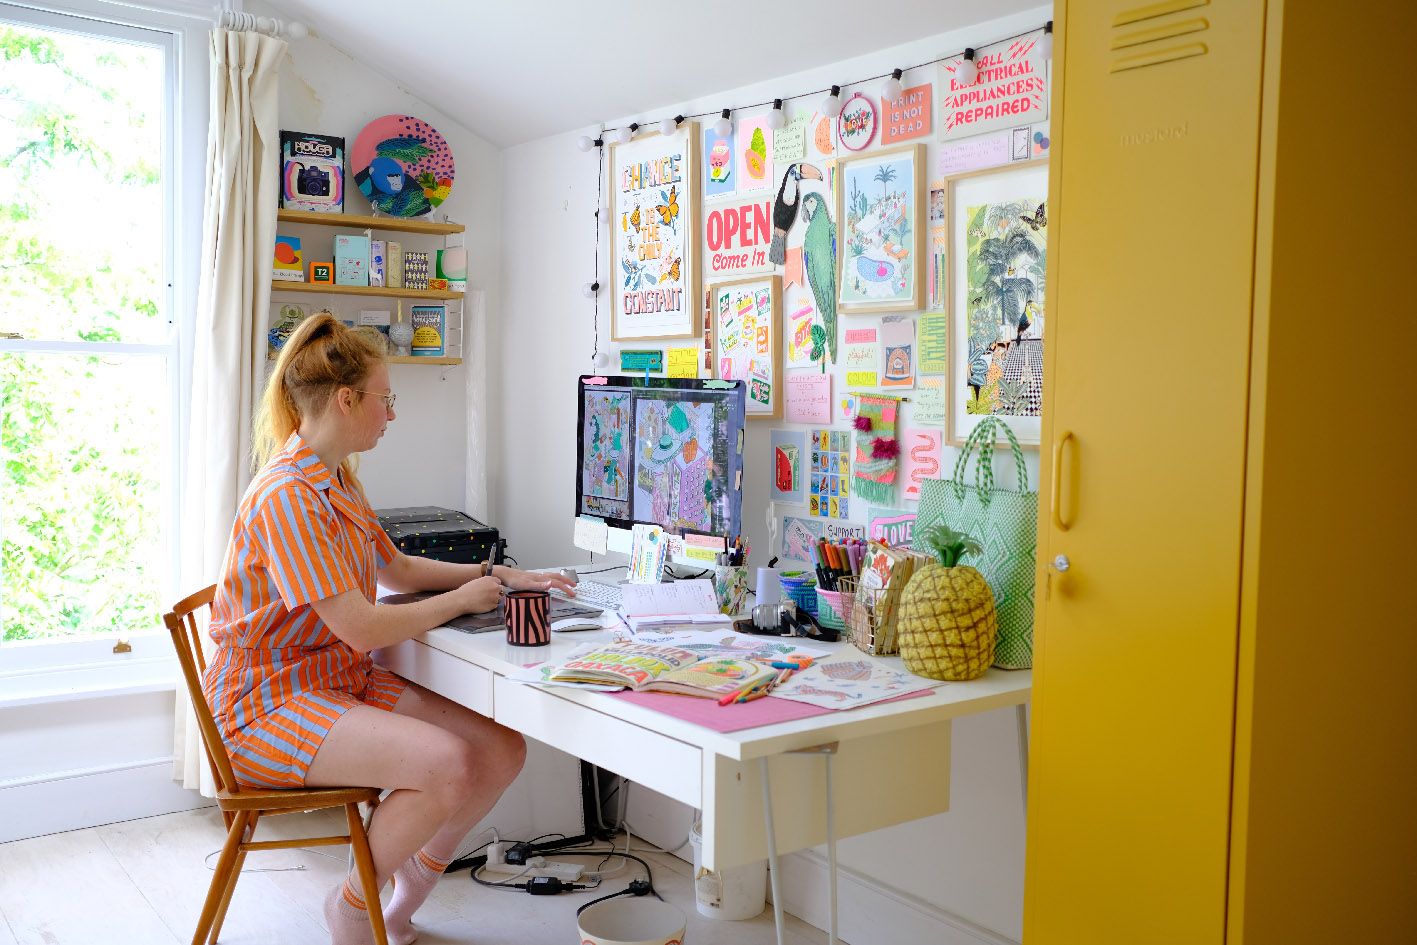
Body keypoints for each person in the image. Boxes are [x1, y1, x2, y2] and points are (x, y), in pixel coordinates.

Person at [201, 313, 575, 945]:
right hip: (266, 703)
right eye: (386, 399)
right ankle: (352, 906)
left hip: (333, 679)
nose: (391, 414)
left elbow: (395, 567)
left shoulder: (336, 479)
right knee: (447, 763)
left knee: (501, 749)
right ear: (347, 401)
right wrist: (462, 599)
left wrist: (496, 574)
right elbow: (361, 628)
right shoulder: (286, 496)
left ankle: (405, 896)